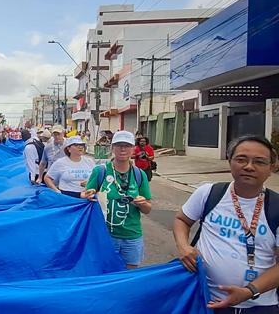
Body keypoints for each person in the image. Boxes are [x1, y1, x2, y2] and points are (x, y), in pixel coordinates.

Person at [173, 135, 279, 313]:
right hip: (204, 299)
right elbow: (182, 220)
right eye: (241, 159)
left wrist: (249, 291)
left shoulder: (276, 207)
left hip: (259, 306)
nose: (249, 167)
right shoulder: (209, 193)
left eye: (259, 162)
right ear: (230, 161)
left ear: (272, 167)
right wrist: (184, 247)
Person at [83, 130, 152, 269]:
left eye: (127, 145)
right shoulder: (100, 171)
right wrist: (87, 195)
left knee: (128, 276)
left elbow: (148, 209)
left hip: (132, 236)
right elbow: (85, 196)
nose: (123, 149)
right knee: (104, 273)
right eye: (119, 145)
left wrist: (142, 203)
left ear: (133, 149)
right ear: (112, 147)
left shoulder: (139, 175)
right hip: (105, 234)